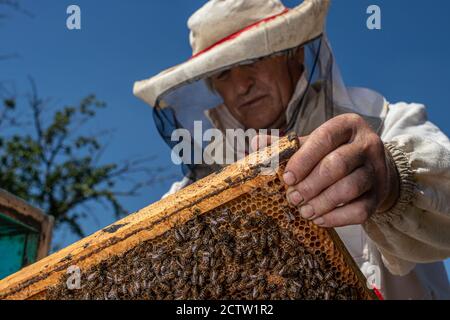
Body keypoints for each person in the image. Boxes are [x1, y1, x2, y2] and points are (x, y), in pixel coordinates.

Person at [133, 0, 450, 299]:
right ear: (214, 88)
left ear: (294, 54)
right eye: (224, 74)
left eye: (253, 60)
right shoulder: (194, 188)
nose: (242, 85)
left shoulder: (381, 117)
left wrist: (391, 180)